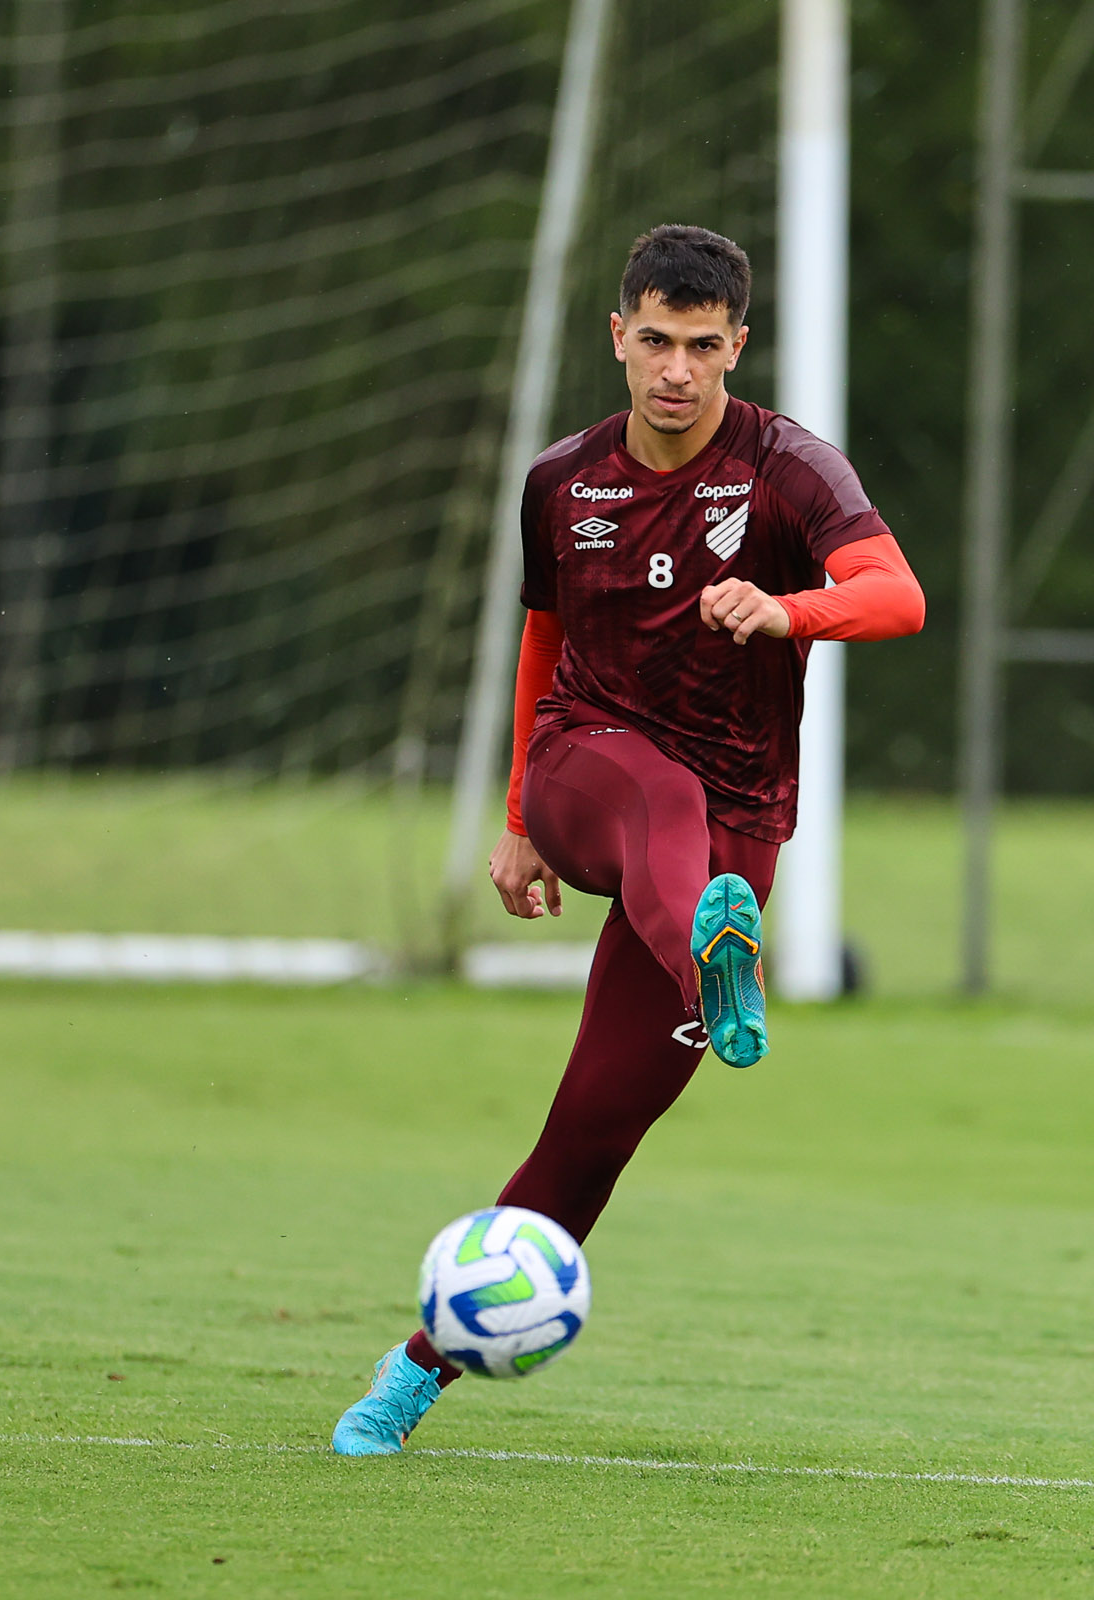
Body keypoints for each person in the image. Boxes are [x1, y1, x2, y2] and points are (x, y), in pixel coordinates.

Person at [331, 224, 926, 1455]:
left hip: (736, 826)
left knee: (593, 1133)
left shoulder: (789, 469)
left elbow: (899, 594)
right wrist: (512, 824)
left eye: (703, 347)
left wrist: (788, 607)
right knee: (657, 791)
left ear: (737, 347)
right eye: (654, 341)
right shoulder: (562, 479)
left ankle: (411, 1373)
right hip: (580, 768)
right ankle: (719, 953)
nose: (676, 370)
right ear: (618, 336)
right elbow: (542, 644)